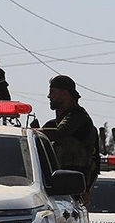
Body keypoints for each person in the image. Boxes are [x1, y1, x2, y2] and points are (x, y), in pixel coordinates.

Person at [40, 75, 100, 204]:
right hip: (59, 186)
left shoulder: (78, 116)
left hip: (74, 188)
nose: (49, 96)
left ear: (64, 94)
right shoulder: (55, 123)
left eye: (52, 92)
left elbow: (60, 133)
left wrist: (32, 132)